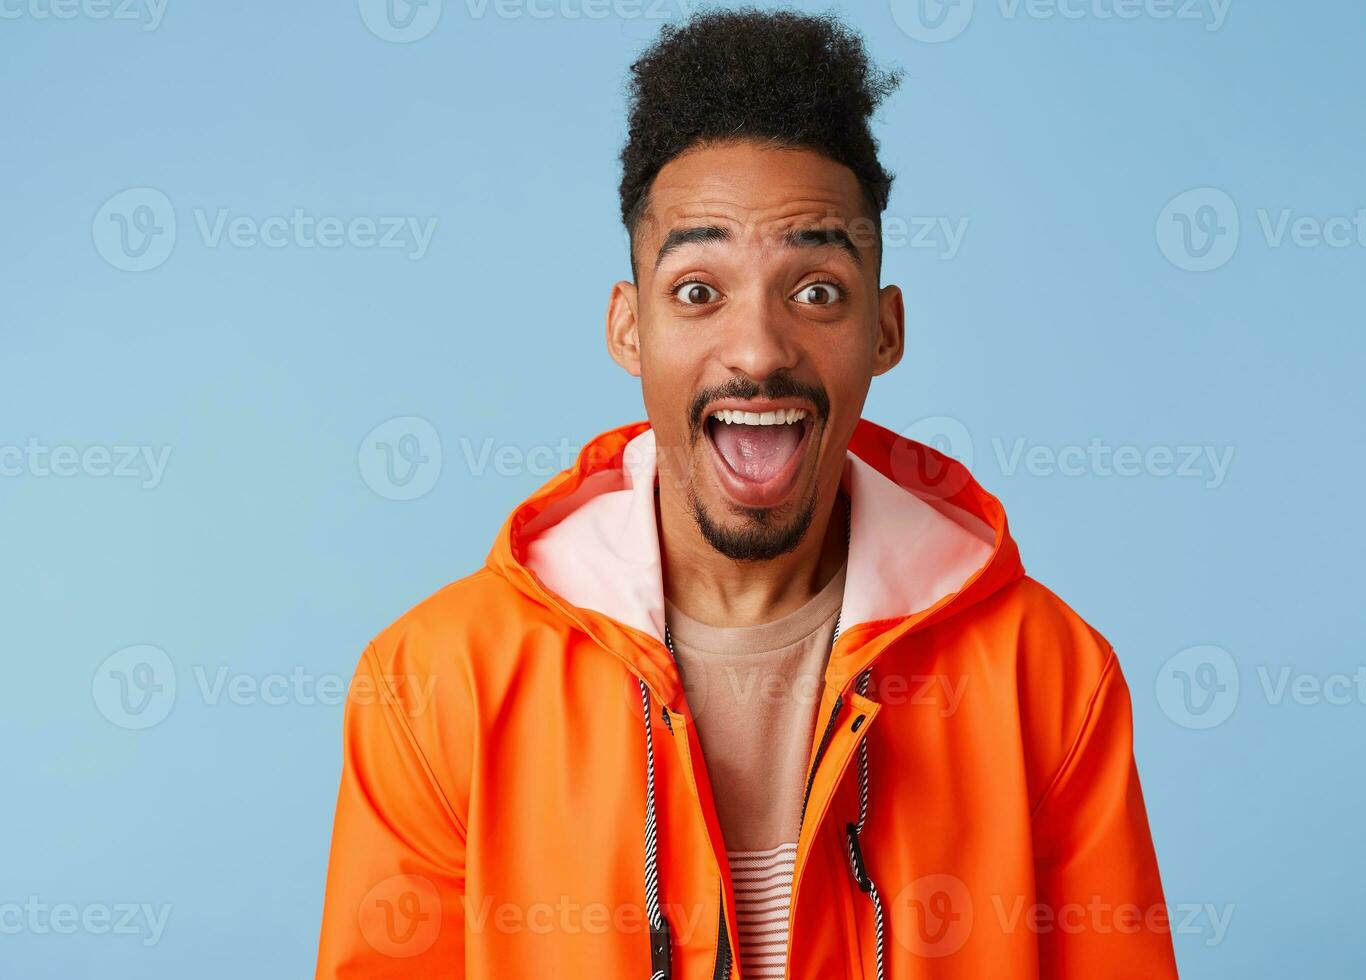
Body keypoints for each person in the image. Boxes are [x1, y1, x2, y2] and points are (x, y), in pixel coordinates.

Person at [315, 9, 1177, 978]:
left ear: (885, 330)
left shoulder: (1049, 677)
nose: (760, 349)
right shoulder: (434, 685)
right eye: (696, 290)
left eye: (816, 290)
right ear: (627, 327)